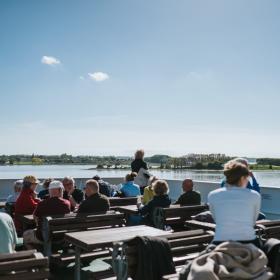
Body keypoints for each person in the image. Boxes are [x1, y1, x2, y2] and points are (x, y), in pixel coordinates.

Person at [208, 160, 261, 246]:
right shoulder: (255, 195)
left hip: (221, 242)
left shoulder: (212, 195)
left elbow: (217, 219)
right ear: (242, 178)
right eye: (247, 177)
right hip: (249, 241)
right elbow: (253, 221)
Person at [23, 180, 71, 248]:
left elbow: (35, 217)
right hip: (60, 237)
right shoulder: (67, 203)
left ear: (49, 191)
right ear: (60, 190)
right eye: (63, 190)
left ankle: (36, 255)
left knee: (25, 235)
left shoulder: (41, 204)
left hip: (43, 237)